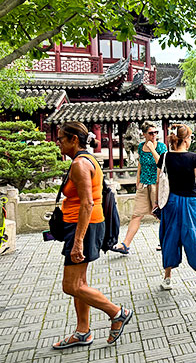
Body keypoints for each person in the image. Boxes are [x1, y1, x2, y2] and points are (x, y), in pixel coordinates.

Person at [53, 122, 133, 349]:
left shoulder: (80, 164)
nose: (58, 142)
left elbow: (87, 203)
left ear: (73, 140)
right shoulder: (85, 159)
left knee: (70, 285)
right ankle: (82, 331)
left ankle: (117, 312)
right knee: (80, 283)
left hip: (83, 227)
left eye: (61, 138)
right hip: (84, 225)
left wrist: (78, 241)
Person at [156, 124, 196, 295]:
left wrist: (157, 204)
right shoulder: (193, 157)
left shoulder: (165, 156)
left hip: (171, 202)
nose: (191, 140)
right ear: (185, 139)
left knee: (170, 237)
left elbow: (158, 182)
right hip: (190, 202)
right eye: (190, 137)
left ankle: (167, 279)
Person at [112, 121, 166, 254]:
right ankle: (125, 244)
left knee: (161, 215)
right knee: (136, 215)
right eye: (151, 133)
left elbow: (162, 163)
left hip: (156, 185)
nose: (154, 135)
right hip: (143, 184)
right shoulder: (141, 146)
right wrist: (137, 183)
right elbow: (140, 166)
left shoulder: (161, 146)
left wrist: (152, 149)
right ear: (144, 134)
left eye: (156, 132)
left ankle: (165, 241)